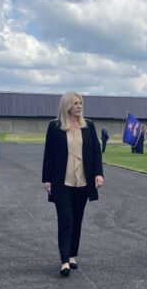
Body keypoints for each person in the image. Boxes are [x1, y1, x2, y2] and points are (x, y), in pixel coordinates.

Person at [42, 92, 104, 277]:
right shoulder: (55, 126)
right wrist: (46, 179)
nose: (79, 106)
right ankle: (64, 261)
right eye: (75, 103)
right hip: (63, 181)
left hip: (83, 181)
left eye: (80, 103)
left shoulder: (89, 125)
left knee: (77, 219)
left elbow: (96, 152)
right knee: (66, 220)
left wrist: (99, 174)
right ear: (66, 105)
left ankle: (72, 255)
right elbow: (49, 154)